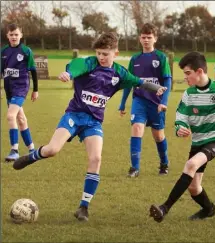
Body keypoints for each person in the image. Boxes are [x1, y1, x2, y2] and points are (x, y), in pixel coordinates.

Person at [13, 32, 167, 222]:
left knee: (96, 158)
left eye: (105, 54)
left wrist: (156, 89)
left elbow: (138, 81)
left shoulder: (119, 73)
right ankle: (32, 156)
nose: (101, 57)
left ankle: (83, 207)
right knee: (52, 150)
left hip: (93, 121)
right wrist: (68, 74)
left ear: (115, 53)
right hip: (74, 115)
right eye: (99, 53)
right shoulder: (89, 63)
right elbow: (76, 66)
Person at [149, 51, 215, 223]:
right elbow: (181, 115)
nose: (186, 77)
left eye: (188, 73)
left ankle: (164, 208)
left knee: (191, 164)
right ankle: (208, 209)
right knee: (194, 187)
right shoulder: (188, 94)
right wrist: (180, 128)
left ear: (200, 72)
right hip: (198, 141)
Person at [118, 23, 172, 176]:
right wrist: (122, 104)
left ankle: (164, 163)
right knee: (136, 128)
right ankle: (134, 168)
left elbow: (167, 81)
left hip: (156, 103)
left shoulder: (161, 57)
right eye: (143, 37)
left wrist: (164, 102)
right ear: (139, 39)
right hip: (139, 100)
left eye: (149, 37)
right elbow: (129, 82)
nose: (146, 40)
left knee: (158, 135)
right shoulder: (135, 59)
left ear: (155, 39)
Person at [1, 23, 39, 162]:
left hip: (21, 88)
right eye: (11, 35)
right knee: (21, 119)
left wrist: (35, 90)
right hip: (9, 89)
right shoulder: (3, 51)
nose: (14, 37)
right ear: (7, 36)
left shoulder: (26, 51)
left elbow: (33, 71)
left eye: (16, 34)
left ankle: (14, 150)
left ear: (21, 35)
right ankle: (32, 149)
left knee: (11, 116)